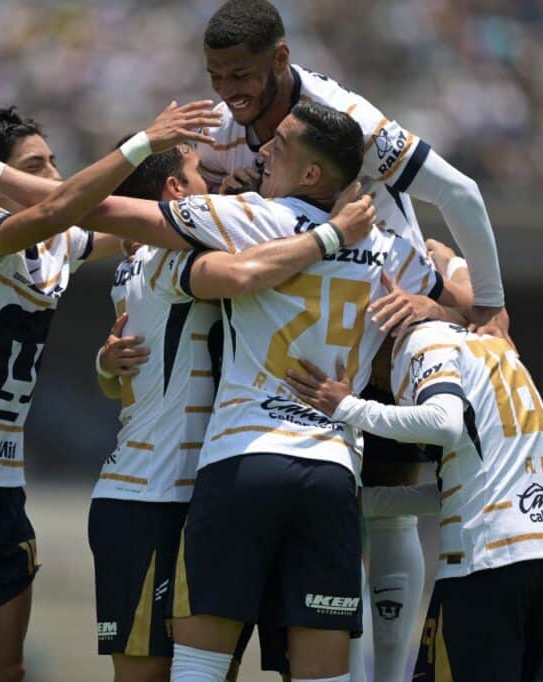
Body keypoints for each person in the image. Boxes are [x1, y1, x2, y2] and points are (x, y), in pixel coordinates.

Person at [195, 3, 510, 676]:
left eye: (242, 74)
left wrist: (488, 303)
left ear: (281, 59)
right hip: (290, 338)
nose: (229, 91)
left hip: (382, 314)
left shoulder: (346, 120)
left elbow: (460, 193)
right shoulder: (221, 128)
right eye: (217, 75)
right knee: (341, 520)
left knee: (392, 500)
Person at [0, 100, 220, 682]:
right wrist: (142, 141)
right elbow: (65, 206)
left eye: (54, 163)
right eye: (36, 166)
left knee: (4, 670)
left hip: (3, 483)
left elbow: (140, 222)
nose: (55, 177)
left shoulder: (59, 244)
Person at [90, 139, 376, 682]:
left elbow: (120, 378)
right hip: (151, 495)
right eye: (205, 173)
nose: (220, 183)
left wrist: (105, 367)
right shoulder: (170, 257)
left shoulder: (138, 261)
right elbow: (246, 275)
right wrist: (333, 234)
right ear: (176, 193)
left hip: (210, 485)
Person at [286, 315, 543, 682]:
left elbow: (444, 423)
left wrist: (347, 407)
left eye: (364, 364)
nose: (370, 383)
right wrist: (365, 503)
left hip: (486, 565)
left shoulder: (422, 340)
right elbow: (464, 487)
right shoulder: (491, 348)